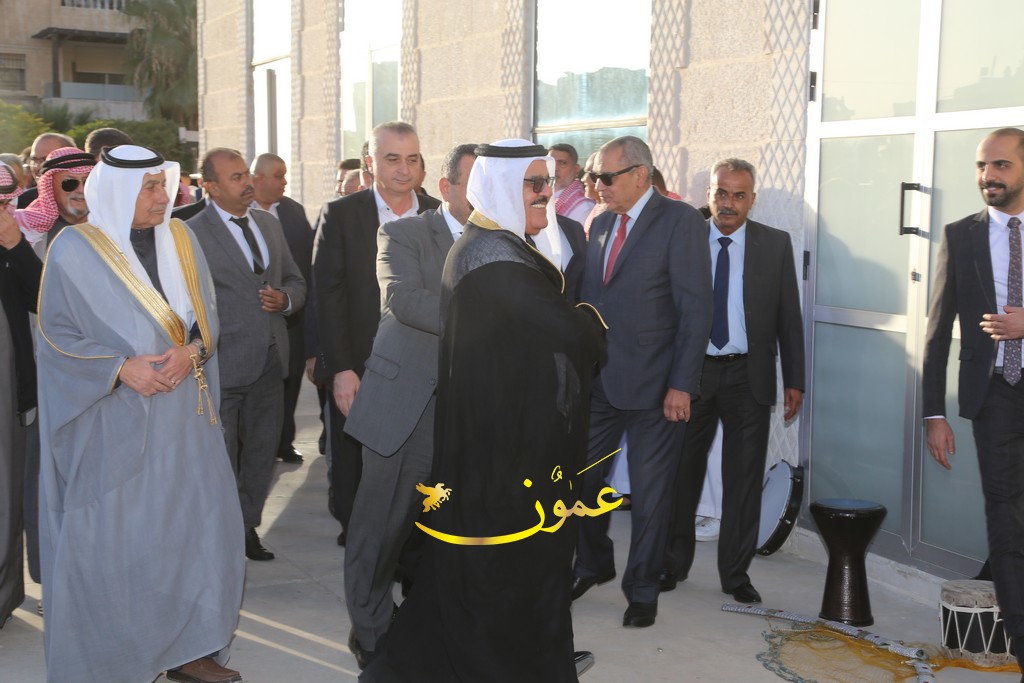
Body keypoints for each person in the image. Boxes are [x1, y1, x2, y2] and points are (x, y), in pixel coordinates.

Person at [361, 139, 605, 682]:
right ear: (501, 186)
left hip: (506, 442)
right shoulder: (493, 257)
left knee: (486, 573)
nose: (546, 193)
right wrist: (590, 321)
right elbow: (567, 331)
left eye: (548, 182)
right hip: (501, 452)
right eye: (533, 183)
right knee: (497, 570)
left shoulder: (497, 244)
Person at [35, 145, 244, 683]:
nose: (162, 196)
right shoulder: (74, 248)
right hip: (114, 420)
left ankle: (191, 648)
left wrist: (193, 351)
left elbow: (206, 318)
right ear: (119, 191)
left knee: (193, 535)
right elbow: (56, 336)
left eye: (163, 184)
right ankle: (115, 660)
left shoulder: (182, 237)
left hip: (186, 419)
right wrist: (119, 369)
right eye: (149, 187)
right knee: (123, 543)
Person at [341, 142, 474, 669]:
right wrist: (492, 315)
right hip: (406, 410)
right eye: (474, 182)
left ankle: (431, 627)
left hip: (469, 415)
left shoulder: (505, 241)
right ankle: (371, 633)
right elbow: (404, 299)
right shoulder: (404, 233)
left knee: (451, 536)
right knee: (380, 533)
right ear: (446, 187)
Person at [571, 135, 713, 630]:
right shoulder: (600, 222)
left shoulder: (680, 221)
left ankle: (643, 590)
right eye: (594, 176)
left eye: (606, 177)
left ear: (639, 175)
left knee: (651, 497)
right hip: (601, 384)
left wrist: (682, 384)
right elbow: (591, 299)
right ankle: (592, 563)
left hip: (657, 389)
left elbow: (696, 309)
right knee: (582, 483)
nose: (597, 186)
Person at [659, 158, 805, 604]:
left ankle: (736, 575)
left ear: (751, 200)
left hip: (748, 374)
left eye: (739, 195)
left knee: (743, 480)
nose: (729, 203)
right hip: (693, 374)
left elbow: (788, 315)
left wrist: (794, 379)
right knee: (681, 474)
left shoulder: (774, 244)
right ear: (709, 193)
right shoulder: (684, 239)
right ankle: (672, 564)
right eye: (721, 193)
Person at [923, 127, 1024, 679]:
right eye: (983, 166)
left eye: (1001, 165)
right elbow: (938, 331)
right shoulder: (960, 235)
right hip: (996, 396)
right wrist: (933, 413)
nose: (988, 176)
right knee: (1005, 518)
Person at [312, 121, 439, 547]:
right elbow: (327, 297)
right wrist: (340, 370)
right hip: (361, 370)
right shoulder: (342, 215)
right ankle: (363, 559)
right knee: (354, 473)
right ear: (370, 162)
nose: (404, 169)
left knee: (421, 475)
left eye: (412, 159)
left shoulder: (439, 214)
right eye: (392, 159)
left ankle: (409, 558)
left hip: (425, 370)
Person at [188, 148, 306, 562]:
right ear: (211, 186)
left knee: (262, 450)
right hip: (222, 361)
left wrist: (285, 299)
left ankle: (245, 526)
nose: (247, 183)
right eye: (235, 177)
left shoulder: (268, 224)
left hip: (271, 359)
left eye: (246, 175)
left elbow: (295, 279)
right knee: (221, 453)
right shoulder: (191, 233)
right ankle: (218, 530)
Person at [251, 152, 314, 464]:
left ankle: (283, 442)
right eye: (278, 175)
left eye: (285, 174)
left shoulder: (293, 212)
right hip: (250, 322)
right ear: (257, 179)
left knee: (289, 382)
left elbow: (304, 266)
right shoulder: (238, 211)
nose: (284, 182)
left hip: (291, 317)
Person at [0, 162, 39, 625]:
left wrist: (15, 246)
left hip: (9, 394)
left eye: (8, 203)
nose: (6, 211)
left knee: (7, 499)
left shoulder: (13, 243)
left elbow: (45, 298)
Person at [19, 147, 95, 248]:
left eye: (87, 182)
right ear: (50, 186)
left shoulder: (107, 223)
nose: (81, 190)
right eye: (69, 183)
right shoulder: (25, 229)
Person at [18, 132, 74, 209]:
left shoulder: (85, 197)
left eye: (45, 160)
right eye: (34, 160)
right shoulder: (22, 202)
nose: (37, 167)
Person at [549, 143, 596, 226]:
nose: (555, 168)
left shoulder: (584, 206)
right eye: (550, 162)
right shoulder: (540, 195)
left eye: (562, 163)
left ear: (576, 169)